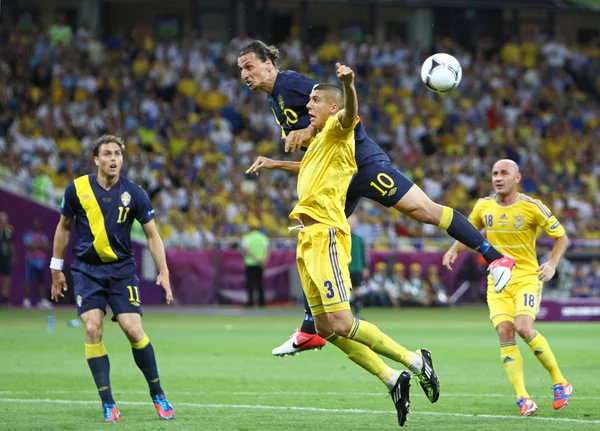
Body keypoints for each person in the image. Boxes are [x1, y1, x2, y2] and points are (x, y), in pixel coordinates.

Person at [239, 40, 515, 356]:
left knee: (425, 211)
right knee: (312, 234)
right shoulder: (276, 101)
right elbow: (319, 155)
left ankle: (496, 257)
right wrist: (277, 162)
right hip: (340, 177)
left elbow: (338, 107)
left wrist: (339, 95)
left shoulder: (291, 84)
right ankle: (309, 328)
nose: (245, 74)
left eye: (249, 66)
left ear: (268, 65)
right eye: (241, 69)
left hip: (362, 163)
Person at [282, 62, 437, 427]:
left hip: (327, 236)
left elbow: (352, 113)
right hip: (306, 238)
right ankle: (390, 378)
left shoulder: (337, 128)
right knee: (324, 329)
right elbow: (306, 169)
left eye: (316, 100)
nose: (309, 105)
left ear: (332, 108)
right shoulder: (319, 140)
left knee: (342, 321)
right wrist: (274, 163)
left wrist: (348, 85)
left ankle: (415, 361)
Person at [50, 135, 175, 422]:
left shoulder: (135, 193)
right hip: (86, 271)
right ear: (96, 159)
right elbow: (63, 227)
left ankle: (157, 393)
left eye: (117, 153)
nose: (113, 158)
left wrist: (164, 271)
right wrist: (56, 268)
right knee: (93, 329)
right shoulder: (78, 189)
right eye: (107, 153)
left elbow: (152, 235)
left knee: (133, 329)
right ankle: (108, 403)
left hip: (121, 271)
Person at [443, 159, 572, 417]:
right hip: (498, 281)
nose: (498, 178)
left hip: (526, 277)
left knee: (524, 327)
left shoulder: (532, 207)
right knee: (504, 331)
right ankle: (523, 398)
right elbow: (468, 232)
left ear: (517, 178)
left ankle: (560, 382)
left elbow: (562, 237)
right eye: (494, 173)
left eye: (504, 173)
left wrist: (552, 264)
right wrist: (453, 250)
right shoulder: (484, 206)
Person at [23, 216, 52, 309]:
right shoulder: (28, 235)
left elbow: (47, 245)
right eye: (34, 222)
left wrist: (36, 245)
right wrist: (40, 245)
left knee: (41, 281)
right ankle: (26, 300)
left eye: (37, 222)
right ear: (32, 224)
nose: (36, 224)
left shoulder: (42, 235)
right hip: (30, 261)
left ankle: (42, 300)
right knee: (28, 280)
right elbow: (29, 246)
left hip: (41, 261)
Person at [240, 219, 270, 307]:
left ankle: (250, 302)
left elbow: (245, 250)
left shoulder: (246, 237)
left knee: (250, 284)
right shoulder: (263, 237)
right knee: (260, 284)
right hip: (260, 264)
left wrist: (255, 259)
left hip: (250, 264)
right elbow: (268, 250)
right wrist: (264, 260)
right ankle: (261, 303)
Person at [0, 211, 15, 305]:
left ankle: (5, 299)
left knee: (7, 278)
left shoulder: (10, 229)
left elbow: (11, 244)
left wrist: (13, 255)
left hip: (6, 257)